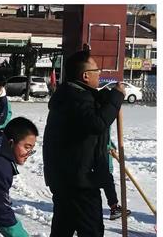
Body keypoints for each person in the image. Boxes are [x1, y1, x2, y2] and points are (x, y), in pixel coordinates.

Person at [42, 50, 126, 236]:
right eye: (97, 70)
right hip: (79, 183)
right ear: (85, 75)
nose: (100, 74)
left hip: (67, 178)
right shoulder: (74, 99)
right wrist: (116, 98)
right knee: (90, 231)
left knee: (62, 229)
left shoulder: (71, 95)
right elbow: (96, 123)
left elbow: (93, 110)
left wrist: (109, 97)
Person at [103, 130, 132, 220]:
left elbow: (104, 135)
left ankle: (114, 207)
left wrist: (111, 145)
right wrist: (107, 146)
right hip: (99, 157)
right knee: (106, 180)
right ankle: (114, 207)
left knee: (107, 181)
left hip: (102, 153)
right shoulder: (99, 117)